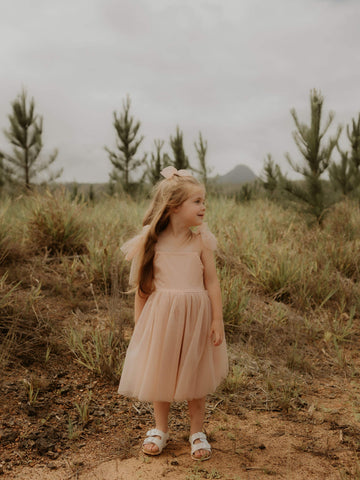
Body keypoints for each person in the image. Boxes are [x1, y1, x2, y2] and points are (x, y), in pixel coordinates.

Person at [118, 165, 228, 461]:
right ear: (175, 207)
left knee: (196, 372)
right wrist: (141, 328)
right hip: (162, 320)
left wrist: (217, 319)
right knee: (161, 371)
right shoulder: (151, 242)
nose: (204, 207)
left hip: (196, 319)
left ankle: (196, 431)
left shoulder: (201, 242)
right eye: (197, 201)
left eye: (204, 201)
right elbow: (143, 289)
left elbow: (212, 282)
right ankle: (160, 428)